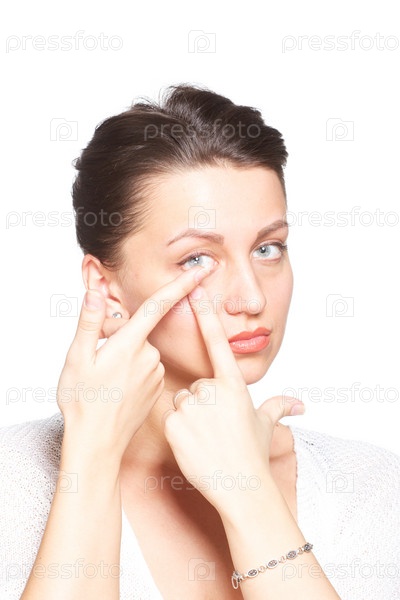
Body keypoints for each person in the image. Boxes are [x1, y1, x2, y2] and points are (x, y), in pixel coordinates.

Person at [1, 85, 399, 600]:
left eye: (268, 248)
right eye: (196, 259)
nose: (252, 297)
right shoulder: (14, 485)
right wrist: (90, 459)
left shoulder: (370, 486)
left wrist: (250, 495)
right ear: (107, 288)